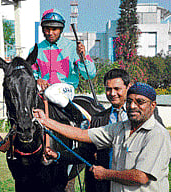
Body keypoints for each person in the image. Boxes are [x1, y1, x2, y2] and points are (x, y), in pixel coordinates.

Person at [34, 82, 171, 192]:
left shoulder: (157, 134)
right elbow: (83, 134)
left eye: (140, 102)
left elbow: (141, 176)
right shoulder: (120, 128)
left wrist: (105, 174)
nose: (132, 106)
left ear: (153, 105)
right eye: (129, 101)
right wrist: (46, 121)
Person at [31, 8, 97, 125]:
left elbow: (89, 74)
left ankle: (79, 118)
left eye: (54, 29)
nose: (50, 33)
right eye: (47, 29)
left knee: (51, 92)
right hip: (42, 90)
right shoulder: (36, 49)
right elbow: (31, 75)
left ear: (61, 29)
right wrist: (37, 80)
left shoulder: (73, 47)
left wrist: (83, 57)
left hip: (65, 90)